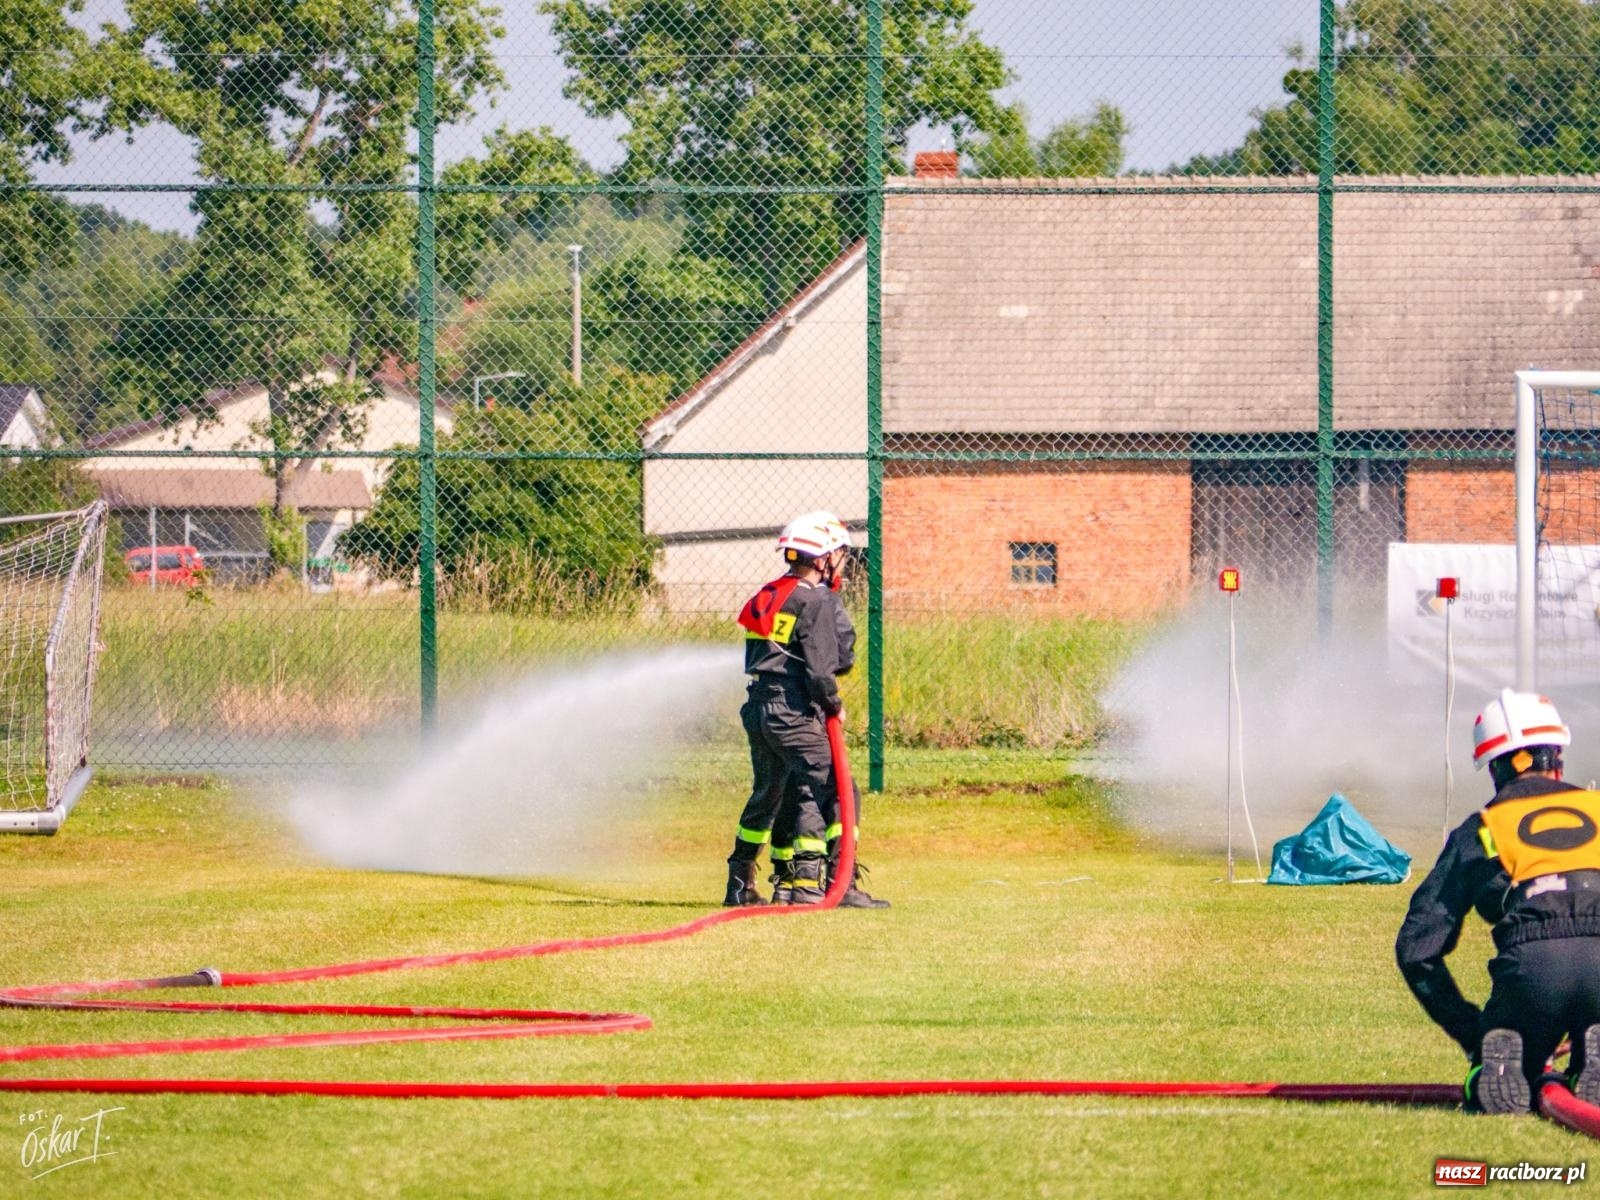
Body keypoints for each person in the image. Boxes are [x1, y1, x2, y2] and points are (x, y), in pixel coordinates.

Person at [1396, 688, 1600, 1113]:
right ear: (1556, 757)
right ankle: (1586, 1062)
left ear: (1494, 768)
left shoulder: (1480, 829)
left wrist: (1476, 1032)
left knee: (1509, 1071)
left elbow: (1416, 949)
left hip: (1535, 967)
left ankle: (1500, 1061)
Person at [722, 511, 887, 910]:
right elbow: (823, 667)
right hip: (795, 710)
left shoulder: (769, 594)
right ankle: (828, 883)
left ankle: (742, 883)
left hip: (759, 708)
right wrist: (833, 702)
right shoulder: (815, 601)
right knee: (835, 789)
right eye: (840, 554)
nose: (843, 562)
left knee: (770, 791)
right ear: (822, 558)